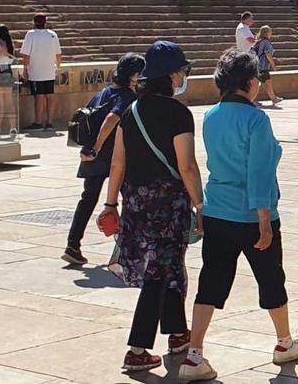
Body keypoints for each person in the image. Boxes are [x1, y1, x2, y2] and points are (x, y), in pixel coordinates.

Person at [181, 50, 298, 380]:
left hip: (217, 209)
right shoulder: (256, 119)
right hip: (251, 214)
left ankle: (194, 353)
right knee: (271, 278)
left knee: (211, 280)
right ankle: (284, 343)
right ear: (250, 82)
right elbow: (258, 172)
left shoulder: (211, 115)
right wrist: (264, 219)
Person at [98, 41, 201, 374]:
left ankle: (177, 334)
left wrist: (111, 203)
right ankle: (137, 349)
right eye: (183, 71)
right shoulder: (178, 113)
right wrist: (200, 204)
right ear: (172, 75)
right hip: (169, 206)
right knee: (160, 272)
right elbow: (186, 165)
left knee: (167, 268)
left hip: (137, 205)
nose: (184, 76)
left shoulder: (132, 111)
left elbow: (117, 163)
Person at [64, 53, 144, 265]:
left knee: (88, 198)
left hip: (94, 156)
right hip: (112, 155)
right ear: (134, 75)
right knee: (130, 198)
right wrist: (98, 148)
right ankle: (128, 250)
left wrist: (91, 149)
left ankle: (73, 244)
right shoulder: (127, 96)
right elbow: (111, 119)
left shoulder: (104, 92)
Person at [21, 13, 62, 130]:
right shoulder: (53, 34)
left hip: (36, 70)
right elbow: (58, 54)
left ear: (34, 22)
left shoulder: (31, 34)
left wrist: (25, 69)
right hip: (49, 70)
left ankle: (38, 122)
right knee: (49, 95)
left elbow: (26, 54)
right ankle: (49, 122)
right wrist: (58, 68)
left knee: (39, 96)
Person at [253, 25, 282, 106]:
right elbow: (268, 54)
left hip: (257, 65)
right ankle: (252, 99)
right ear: (266, 33)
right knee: (261, 83)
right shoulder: (266, 42)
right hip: (263, 66)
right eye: (270, 31)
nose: (271, 33)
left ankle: (273, 98)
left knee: (266, 82)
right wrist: (273, 65)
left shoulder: (259, 41)